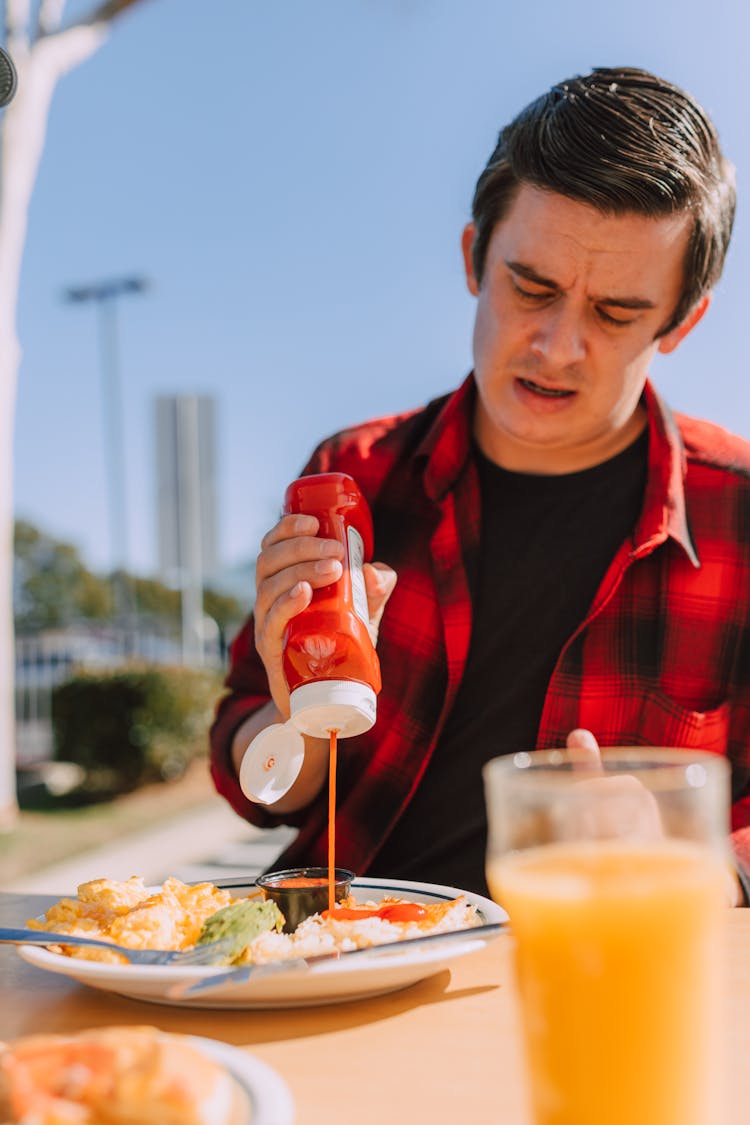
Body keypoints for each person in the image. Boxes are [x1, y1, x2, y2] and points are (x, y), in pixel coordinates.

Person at [210, 66, 750, 903]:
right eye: (530, 288)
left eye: (615, 314)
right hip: (342, 949)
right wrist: (294, 722)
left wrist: (688, 861)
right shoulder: (351, 476)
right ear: (474, 257)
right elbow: (255, 784)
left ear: (681, 321)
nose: (558, 345)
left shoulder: (741, 511)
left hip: (600, 979)